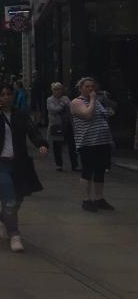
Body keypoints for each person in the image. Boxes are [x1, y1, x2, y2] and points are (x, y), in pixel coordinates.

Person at [0, 81, 48, 252]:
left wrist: (41, 144)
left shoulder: (20, 114)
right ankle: (15, 234)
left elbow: (32, 130)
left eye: (9, 94)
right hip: (0, 163)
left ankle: (3, 217)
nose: (6, 97)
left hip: (19, 163)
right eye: (2, 94)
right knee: (9, 200)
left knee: (18, 199)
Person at [71, 77, 115, 212]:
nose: (91, 89)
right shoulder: (77, 102)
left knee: (100, 171)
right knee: (88, 171)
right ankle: (86, 199)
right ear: (80, 88)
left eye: (92, 86)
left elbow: (106, 114)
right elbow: (88, 115)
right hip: (87, 142)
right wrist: (93, 100)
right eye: (87, 86)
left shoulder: (96, 101)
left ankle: (99, 198)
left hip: (102, 141)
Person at [46, 82, 78, 172]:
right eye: (56, 89)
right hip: (57, 125)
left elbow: (71, 109)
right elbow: (53, 110)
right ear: (53, 91)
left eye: (60, 89)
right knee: (57, 146)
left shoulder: (66, 98)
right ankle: (59, 165)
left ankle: (74, 165)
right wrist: (62, 104)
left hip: (68, 124)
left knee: (72, 145)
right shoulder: (50, 99)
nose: (59, 91)